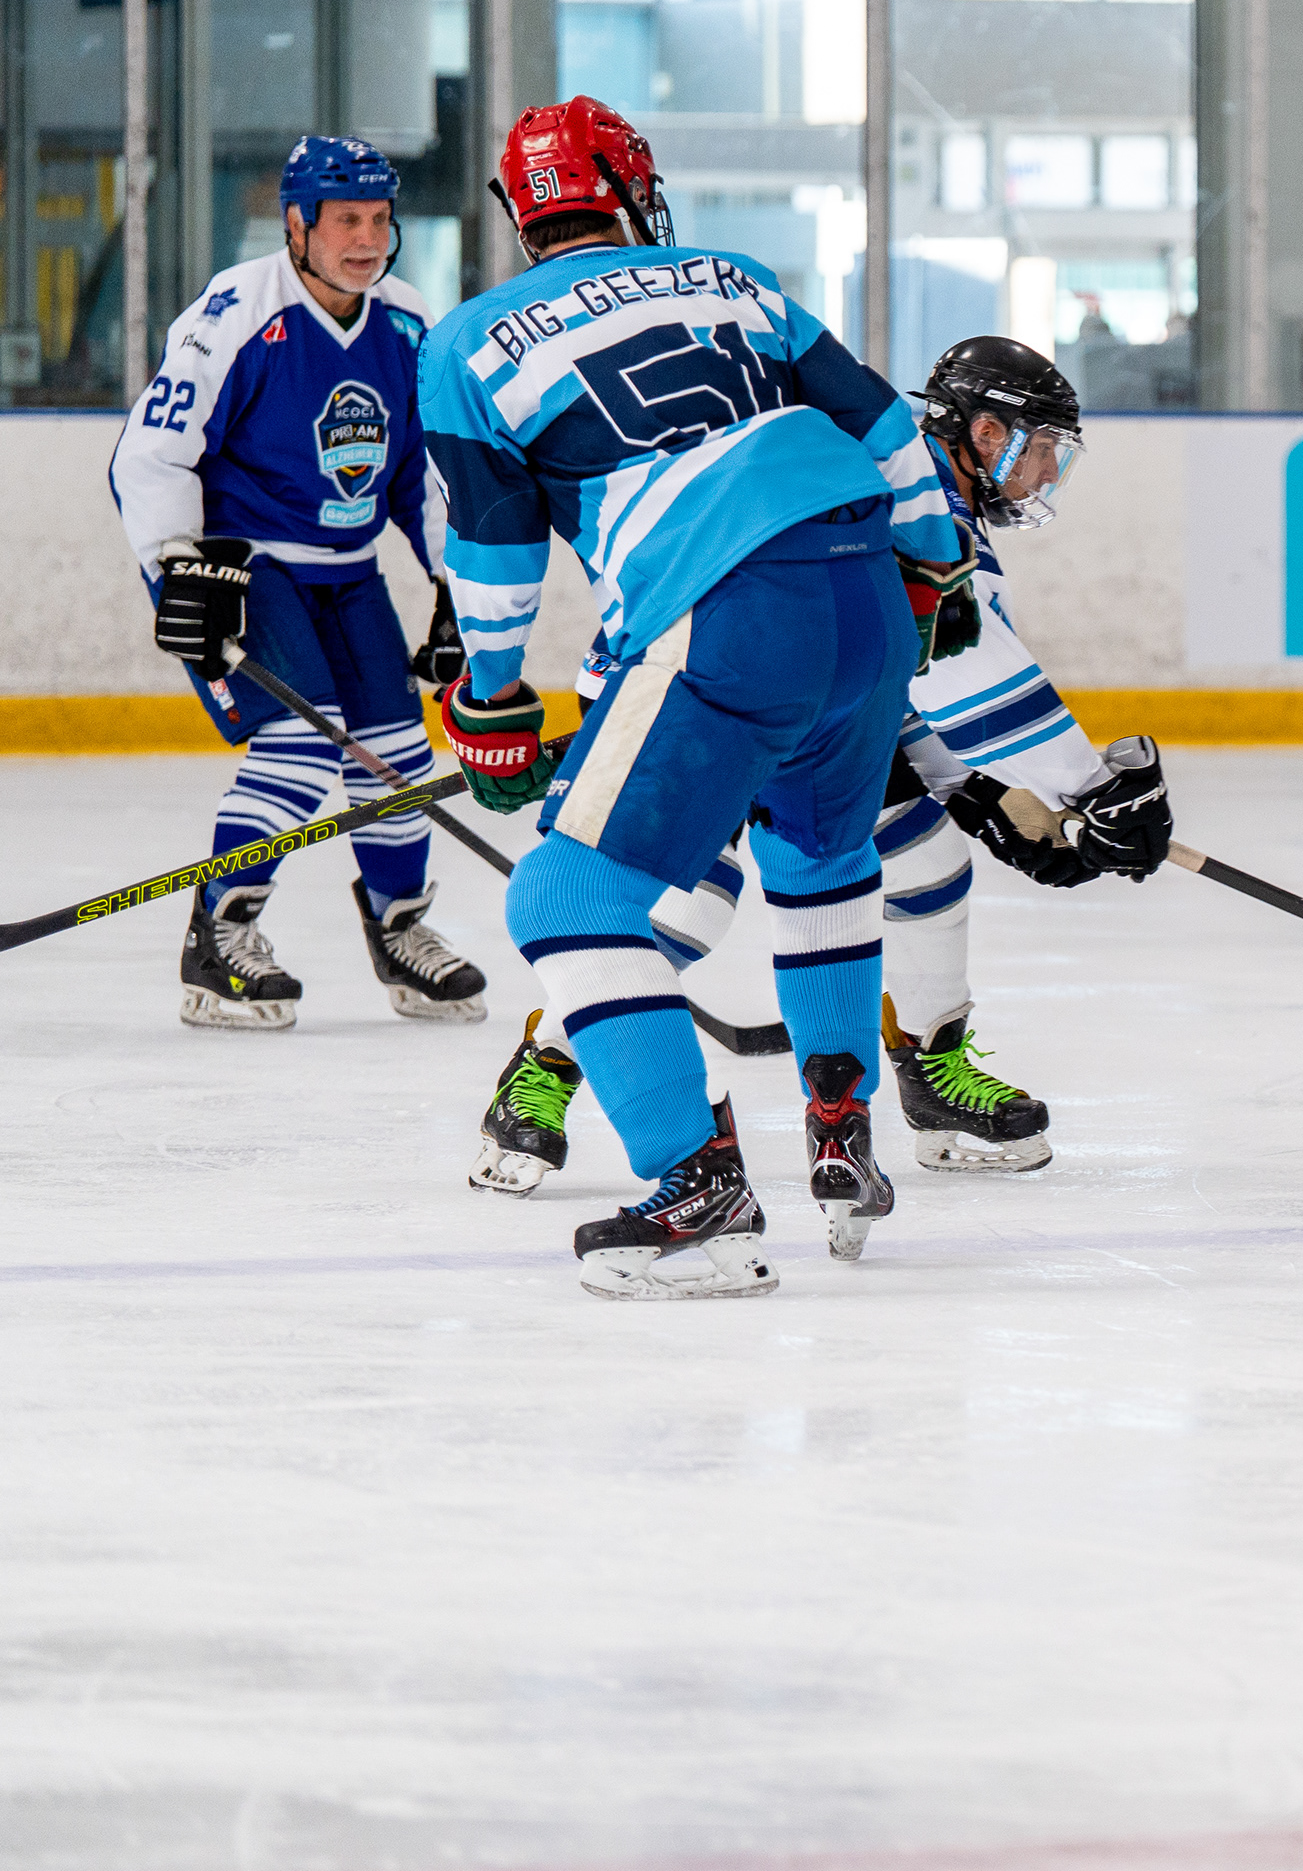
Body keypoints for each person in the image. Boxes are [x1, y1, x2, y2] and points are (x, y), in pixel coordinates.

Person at [421, 95, 982, 1301]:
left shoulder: (468, 342)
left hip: (722, 607)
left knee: (567, 893)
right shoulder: (736, 277)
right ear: (632, 194)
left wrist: (492, 701)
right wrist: (934, 563)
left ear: (523, 215)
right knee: (822, 854)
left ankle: (698, 1189)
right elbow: (886, 426)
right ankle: (841, 1136)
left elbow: (498, 551)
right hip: (862, 587)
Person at [469, 335, 1171, 1193]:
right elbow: (963, 679)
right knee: (692, 903)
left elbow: (906, 672)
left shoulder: (925, 493)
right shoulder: (913, 504)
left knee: (926, 861)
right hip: (689, 683)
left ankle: (931, 1066)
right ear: (988, 434)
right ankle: (544, 1069)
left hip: (802, 696)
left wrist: (973, 789)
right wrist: (1091, 788)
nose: (1048, 472)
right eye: (1044, 448)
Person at [107, 134, 489, 1031]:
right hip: (247, 568)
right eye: (346, 220)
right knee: (299, 745)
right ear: (296, 223)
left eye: (380, 219)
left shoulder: (406, 324)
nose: (368, 239)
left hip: (350, 575)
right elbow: (150, 454)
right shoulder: (236, 312)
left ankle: (400, 927)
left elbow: (422, 473)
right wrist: (176, 572)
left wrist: (456, 591)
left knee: (398, 753)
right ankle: (220, 934)